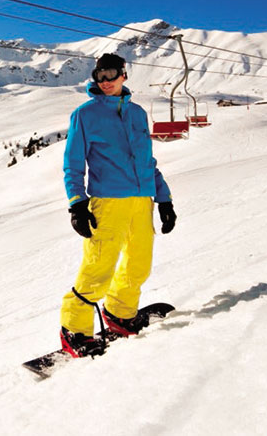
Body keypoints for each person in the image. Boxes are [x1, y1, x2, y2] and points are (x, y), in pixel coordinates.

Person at [59, 52, 177, 358]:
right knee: (98, 269)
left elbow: (147, 161)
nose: (105, 81)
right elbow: (73, 164)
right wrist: (77, 204)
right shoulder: (85, 115)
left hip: (142, 202)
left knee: (138, 265)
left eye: (110, 74)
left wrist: (163, 198)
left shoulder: (138, 114)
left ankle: (120, 313)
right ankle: (75, 330)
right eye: (99, 76)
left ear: (123, 74)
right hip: (107, 203)